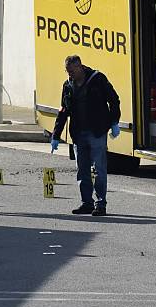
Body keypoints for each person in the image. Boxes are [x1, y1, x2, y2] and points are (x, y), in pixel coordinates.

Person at [51, 55, 121, 216]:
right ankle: (86, 203)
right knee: (82, 170)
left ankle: (100, 204)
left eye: (71, 71)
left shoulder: (98, 79)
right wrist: (56, 135)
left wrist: (114, 122)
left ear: (80, 67)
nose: (69, 74)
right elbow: (64, 109)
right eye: (67, 71)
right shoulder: (68, 85)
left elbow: (114, 100)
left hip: (96, 132)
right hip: (78, 133)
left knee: (99, 169)